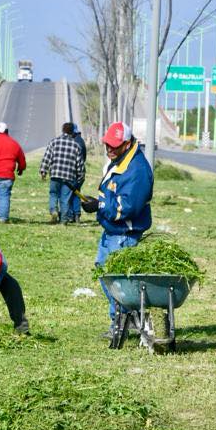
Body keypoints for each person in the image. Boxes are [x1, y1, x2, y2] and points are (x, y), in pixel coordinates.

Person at [80, 122, 153, 332]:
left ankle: (123, 322)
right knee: (105, 274)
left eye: (114, 145)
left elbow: (126, 207)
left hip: (124, 234)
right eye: (107, 145)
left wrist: (100, 205)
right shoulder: (120, 160)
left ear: (127, 143)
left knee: (119, 280)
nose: (109, 149)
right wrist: (97, 203)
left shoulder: (137, 170)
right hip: (111, 231)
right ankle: (122, 320)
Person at [39, 122, 85, 225]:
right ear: (72, 132)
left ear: (63, 130)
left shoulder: (54, 142)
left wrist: (43, 171)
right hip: (69, 177)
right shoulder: (76, 146)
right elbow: (80, 164)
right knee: (65, 199)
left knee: (53, 194)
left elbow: (47, 158)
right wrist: (81, 176)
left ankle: (54, 210)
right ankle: (63, 220)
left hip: (55, 174)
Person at [70, 124, 87, 223]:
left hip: (74, 172)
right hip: (80, 171)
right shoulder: (81, 141)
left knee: (70, 193)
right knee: (76, 193)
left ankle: (72, 215)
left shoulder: (74, 142)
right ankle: (76, 215)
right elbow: (84, 158)